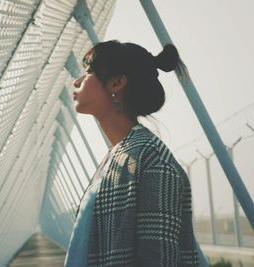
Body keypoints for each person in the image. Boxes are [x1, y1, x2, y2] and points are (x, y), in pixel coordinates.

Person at [64, 40, 200, 266]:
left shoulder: (149, 160)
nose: (76, 81)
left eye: (89, 72)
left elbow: (159, 260)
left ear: (117, 83)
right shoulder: (120, 154)